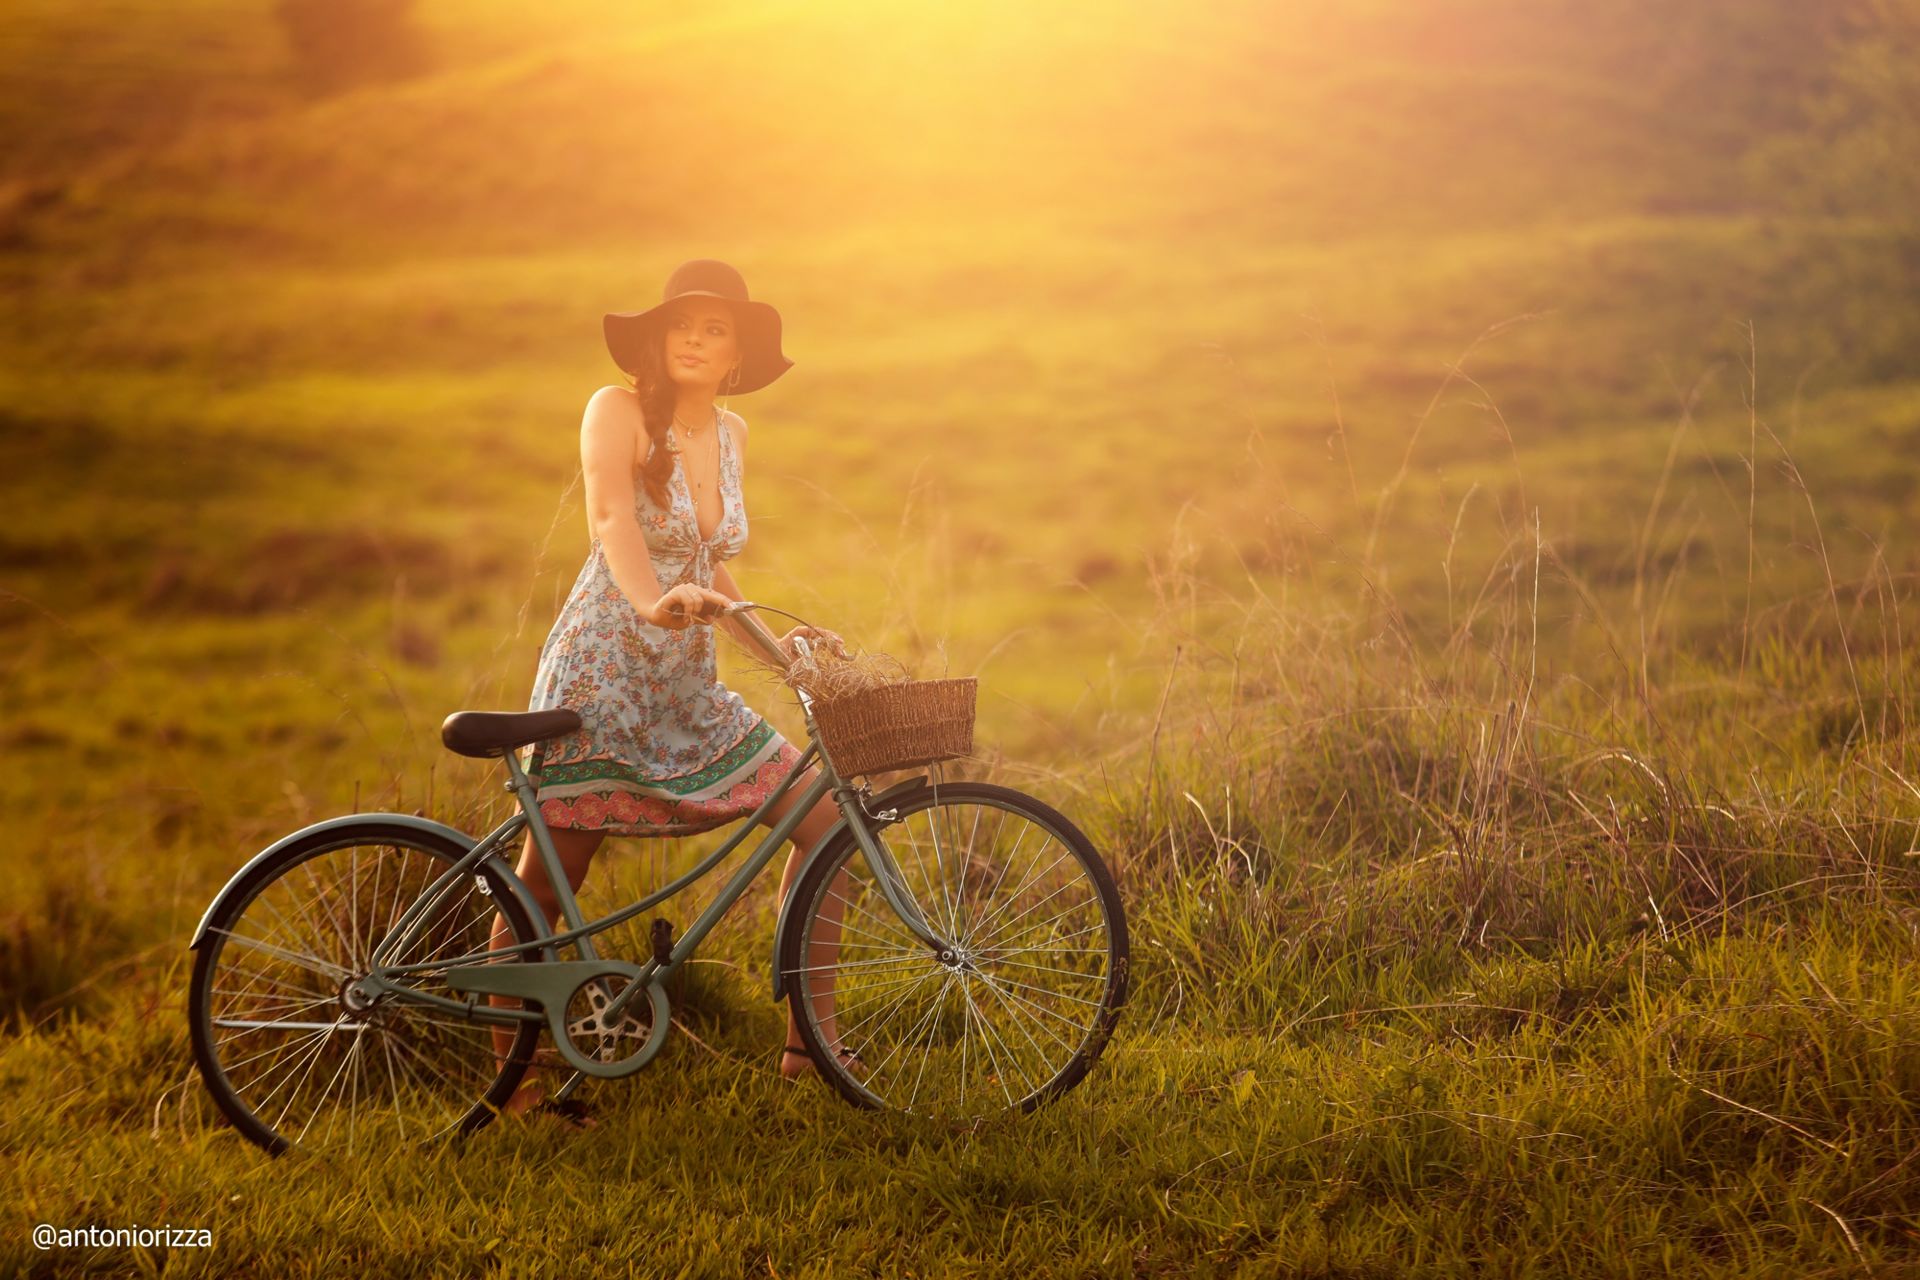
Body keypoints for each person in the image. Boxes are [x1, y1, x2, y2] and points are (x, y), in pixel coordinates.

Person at [489, 259, 859, 1129]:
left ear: (737, 355)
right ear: (656, 339)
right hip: (605, 671)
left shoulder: (730, 434)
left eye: (716, 327)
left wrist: (781, 648)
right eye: (682, 324)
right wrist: (652, 604)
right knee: (545, 888)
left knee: (827, 822)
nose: (696, 338)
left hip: (687, 684)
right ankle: (518, 1082)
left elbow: (712, 564)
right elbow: (612, 518)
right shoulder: (613, 410)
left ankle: (814, 1046)